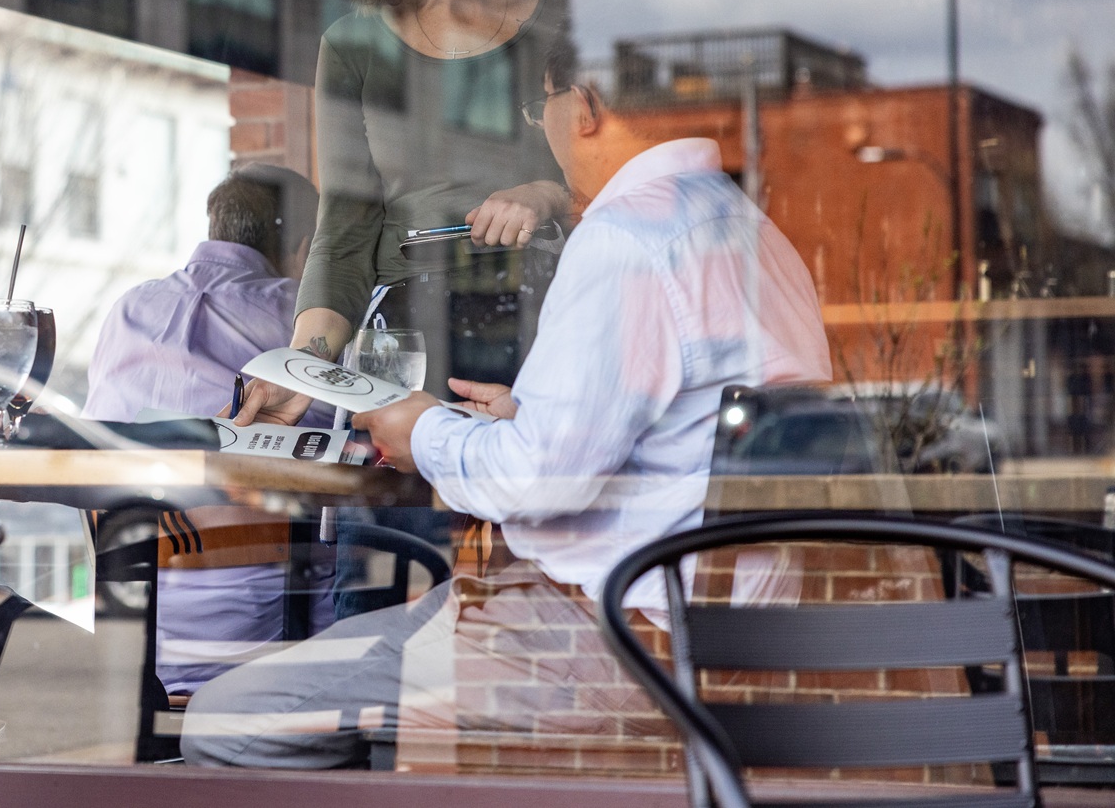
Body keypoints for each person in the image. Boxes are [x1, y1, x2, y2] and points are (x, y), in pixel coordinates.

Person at [190, 41, 832, 768]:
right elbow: (659, 439)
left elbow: (536, 480)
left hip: (595, 639)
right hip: (708, 635)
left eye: (542, 108)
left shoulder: (628, 238)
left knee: (227, 717)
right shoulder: (757, 236)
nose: (543, 130)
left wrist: (422, 428)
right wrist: (518, 418)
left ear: (582, 105)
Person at [295, 0, 573, 391]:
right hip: (405, 345)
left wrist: (544, 194)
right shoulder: (351, 47)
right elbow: (343, 237)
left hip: (546, 319)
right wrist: (301, 370)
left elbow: (625, 187)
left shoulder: (560, 26)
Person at [84, 165, 327, 695]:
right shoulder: (300, 321)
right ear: (305, 247)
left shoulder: (128, 310)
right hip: (271, 650)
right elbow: (363, 445)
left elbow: (93, 453)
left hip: (135, 656)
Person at [83, 165, 318, 423]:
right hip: (241, 462)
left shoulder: (128, 305)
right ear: (307, 249)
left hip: (105, 460)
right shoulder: (302, 314)